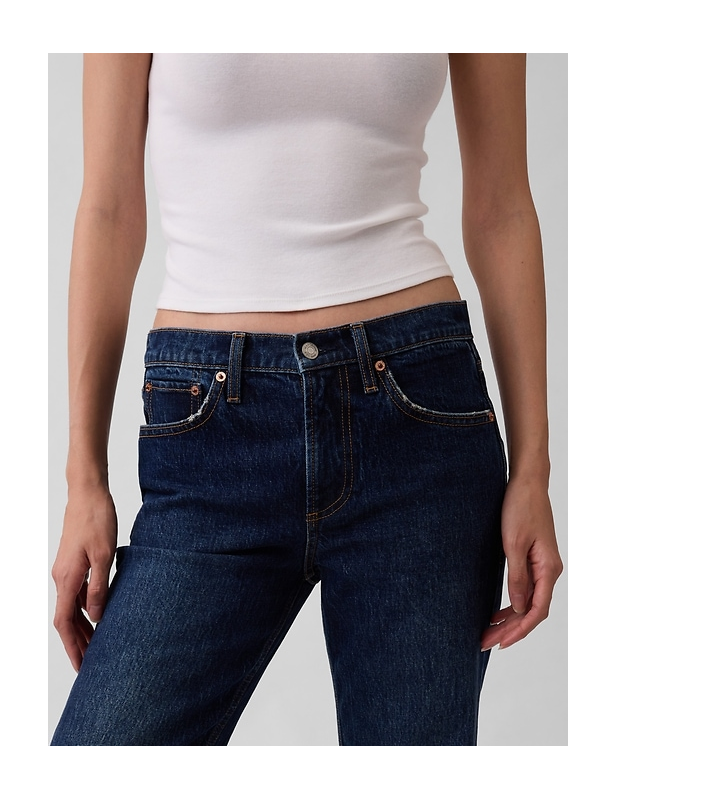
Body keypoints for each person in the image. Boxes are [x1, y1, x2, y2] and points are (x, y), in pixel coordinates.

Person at [50, 52, 564, 747]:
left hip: (415, 418)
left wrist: (533, 470)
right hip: (212, 429)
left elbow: (503, 208)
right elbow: (108, 211)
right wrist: (83, 480)